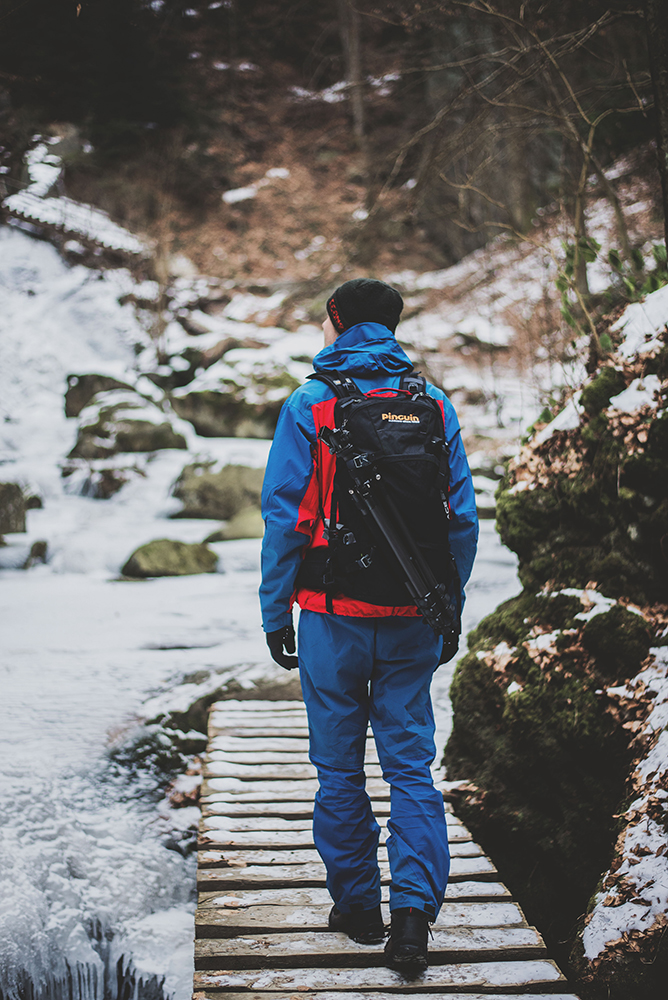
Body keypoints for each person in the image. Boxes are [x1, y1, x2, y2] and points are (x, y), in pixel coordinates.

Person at [260, 278, 478, 971]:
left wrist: (275, 612)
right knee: (412, 768)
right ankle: (412, 917)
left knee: (338, 769)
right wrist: (448, 607)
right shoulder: (432, 404)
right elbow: (462, 524)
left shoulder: (311, 403)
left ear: (336, 321)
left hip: (329, 617)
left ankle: (356, 907)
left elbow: (285, 518)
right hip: (414, 616)